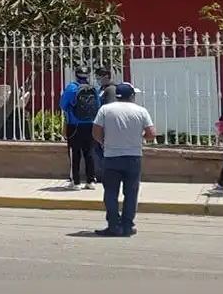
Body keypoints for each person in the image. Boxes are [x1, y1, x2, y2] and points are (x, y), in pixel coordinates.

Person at [92, 82, 155, 237]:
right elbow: (152, 133)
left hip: (111, 157)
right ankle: (127, 225)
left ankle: (113, 225)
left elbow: (96, 132)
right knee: (131, 193)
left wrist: (104, 142)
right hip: (133, 157)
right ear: (132, 96)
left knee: (111, 193)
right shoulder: (141, 111)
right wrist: (140, 139)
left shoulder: (105, 110)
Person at [60, 66, 99, 190]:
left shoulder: (71, 88)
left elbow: (62, 105)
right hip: (90, 125)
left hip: (74, 125)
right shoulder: (93, 88)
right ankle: (91, 180)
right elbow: (98, 105)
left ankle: (75, 182)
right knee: (89, 153)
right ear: (88, 76)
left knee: (74, 153)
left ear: (76, 75)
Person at [93, 67, 119, 182]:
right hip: (99, 125)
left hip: (107, 127)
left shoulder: (111, 90)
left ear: (107, 77)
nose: (98, 80)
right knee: (99, 151)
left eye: (99, 77)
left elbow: (110, 110)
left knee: (106, 152)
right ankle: (102, 174)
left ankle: (109, 175)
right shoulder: (102, 89)